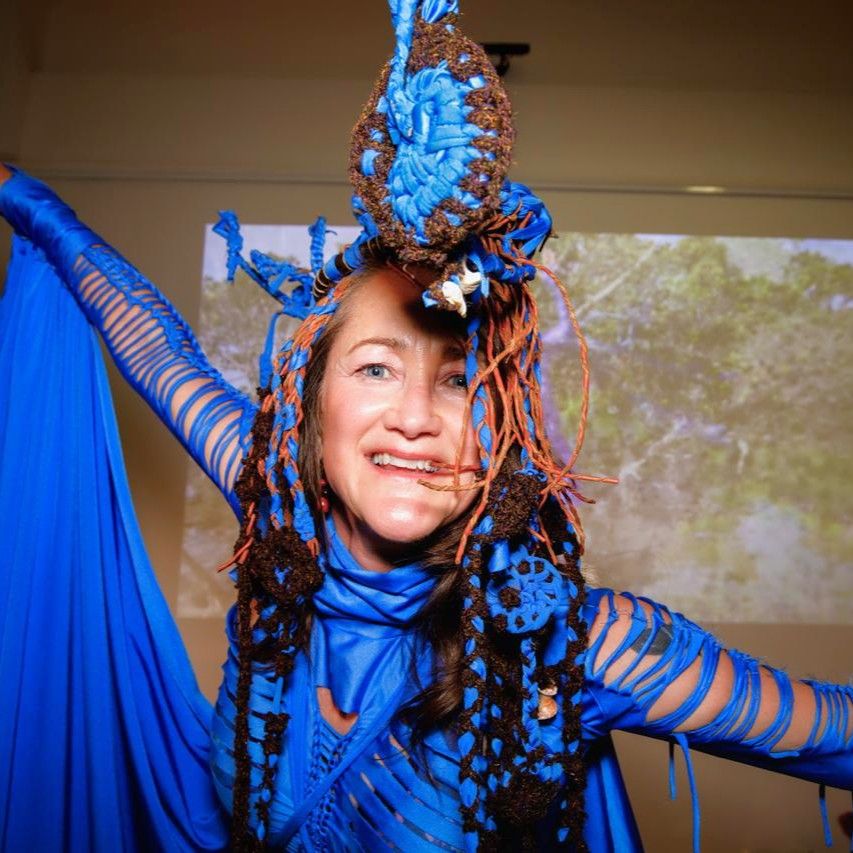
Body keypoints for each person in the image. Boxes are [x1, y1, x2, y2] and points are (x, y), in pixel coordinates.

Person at [0, 2, 850, 851]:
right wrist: (21, 196)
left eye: (458, 381)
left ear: (502, 427)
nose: (413, 417)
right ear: (311, 399)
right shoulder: (274, 500)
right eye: (375, 367)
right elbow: (154, 346)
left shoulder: (582, 642)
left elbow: (829, 730)